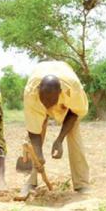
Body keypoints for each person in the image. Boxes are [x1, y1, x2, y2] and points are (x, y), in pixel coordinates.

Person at [23, 61, 90, 193]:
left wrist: (59, 139)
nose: (48, 105)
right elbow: (33, 129)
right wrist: (38, 154)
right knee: (31, 145)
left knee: (74, 136)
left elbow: (75, 112)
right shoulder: (31, 92)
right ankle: (29, 182)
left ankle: (81, 183)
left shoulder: (73, 88)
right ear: (38, 90)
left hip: (68, 107)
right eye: (44, 100)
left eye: (51, 101)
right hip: (37, 102)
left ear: (60, 92)